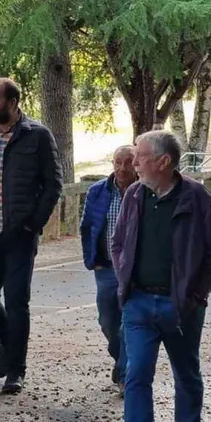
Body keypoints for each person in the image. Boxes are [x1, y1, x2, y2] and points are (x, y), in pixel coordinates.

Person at [110, 130, 211, 422]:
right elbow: (118, 243)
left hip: (180, 307)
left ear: (163, 162)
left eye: (140, 157)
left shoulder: (196, 198)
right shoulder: (134, 195)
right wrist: (125, 282)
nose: (134, 163)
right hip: (139, 303)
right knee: (136, 375)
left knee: (186, 372)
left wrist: (195, 297)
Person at [0, 77, 63, 394]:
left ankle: (16, 370)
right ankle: (10, 344)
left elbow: (53, 185)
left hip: (19, 235)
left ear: (12, 101)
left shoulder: (38, 136)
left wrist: (33, 223)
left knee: (17, 301)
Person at [80, 146, 136, 396]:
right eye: (118, 162)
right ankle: (120, 358)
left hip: (135, 270)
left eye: (128, 163)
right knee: (107, 321)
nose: (122, 168)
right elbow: (87, 227)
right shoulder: (97, 191)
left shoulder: (144, 192)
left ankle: (125, 375)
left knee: (128, 324)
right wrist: (93, 260)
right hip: (106, 267)